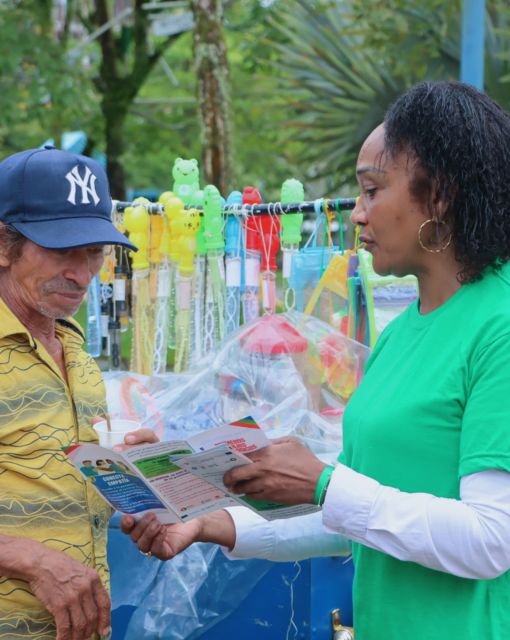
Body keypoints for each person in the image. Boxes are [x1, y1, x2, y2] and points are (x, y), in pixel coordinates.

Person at [121, 81, 510, 640]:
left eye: (373, 191)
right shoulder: (402, 336)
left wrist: (325, 483)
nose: (357, 214)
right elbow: (355, 520)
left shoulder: (498, 325)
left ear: (441, 195)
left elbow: (490, 541)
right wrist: (209, 521)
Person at [0, 146, 156, 640]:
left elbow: (55, 478)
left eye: (93, 251)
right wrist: (27, 558)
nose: (83, 273)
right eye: (63, 249)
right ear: (4, 246)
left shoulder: (75, 351)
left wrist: (132, 476)